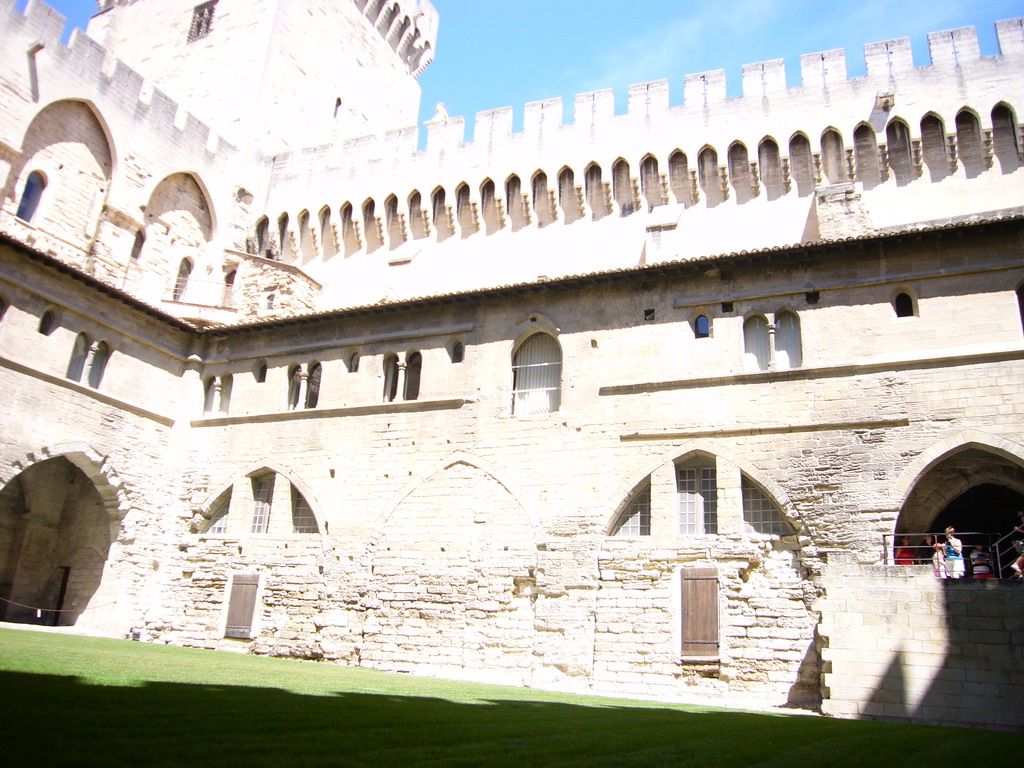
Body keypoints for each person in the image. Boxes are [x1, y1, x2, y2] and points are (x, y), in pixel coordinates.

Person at [1010, 509, 1024, 578]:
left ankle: (1018, 572)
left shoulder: (1021, 519)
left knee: (1021, 554)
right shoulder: (1018, 519)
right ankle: (1017, 566)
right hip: (1017, 539)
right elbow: (1016, 528)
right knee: (1022, 553)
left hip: (1020, 539)